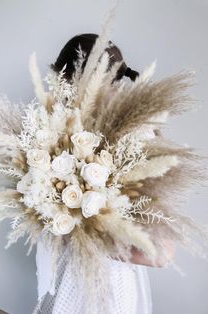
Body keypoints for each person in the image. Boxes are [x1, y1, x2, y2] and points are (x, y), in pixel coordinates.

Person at [34, 33, 176, 314]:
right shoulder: (67, 131)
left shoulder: (136, 138)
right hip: (67, 275)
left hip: (108, 287)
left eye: (64, 84)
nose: (59, 94)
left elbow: (161, 253)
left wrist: (81, 237)